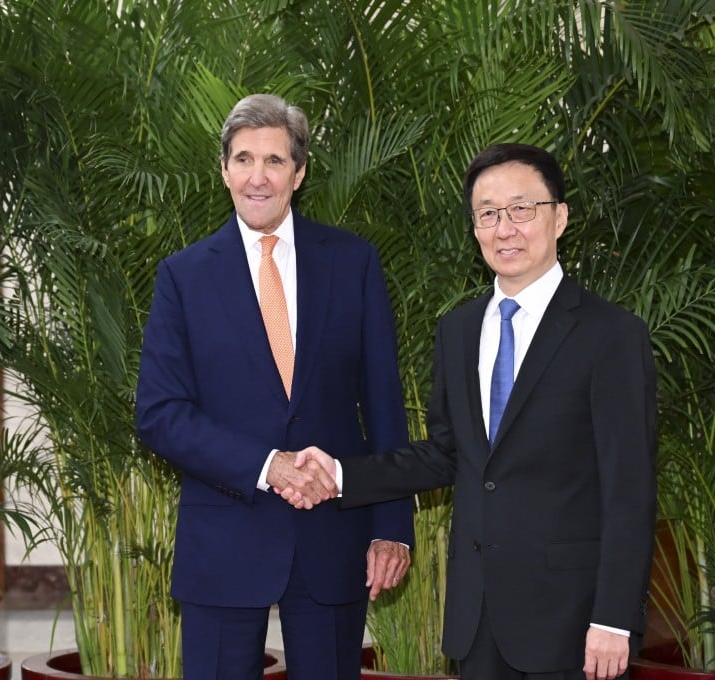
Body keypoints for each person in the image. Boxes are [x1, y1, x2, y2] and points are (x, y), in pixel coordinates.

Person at [282, 143, 658, 680]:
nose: (505, 229)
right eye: (488, 213)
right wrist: (341, 474)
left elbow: (629, 489)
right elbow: (446, 455)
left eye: (521, 209)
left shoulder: (611, 334)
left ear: (559, 217)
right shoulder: (458, 331)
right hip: (476, 619)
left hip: (573, 623)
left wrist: (614, 618)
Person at [135, 93, 413, 680]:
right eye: (243, 159)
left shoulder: (353, 263)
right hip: (223, 541)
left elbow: (384, 405)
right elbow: (161, 413)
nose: (257, 177)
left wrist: (392, 528)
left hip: (332, 539)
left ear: (299, 172)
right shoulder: (182, 276)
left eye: (274, 161)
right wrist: (268, 466)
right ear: (224, 170)